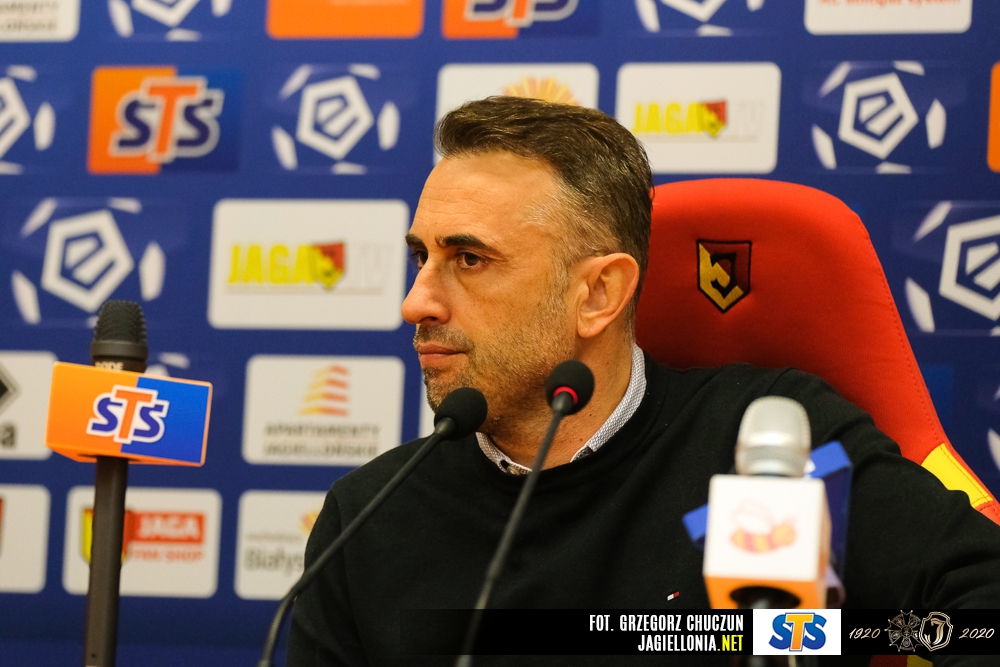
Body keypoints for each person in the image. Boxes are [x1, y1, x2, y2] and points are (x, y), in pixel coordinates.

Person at [287, 97, 1000, 666]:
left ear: (598, 294)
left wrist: (818, 635)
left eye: (469, 259)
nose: (417, 301)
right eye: (422, 257)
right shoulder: (369, 517)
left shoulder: (774, 443)